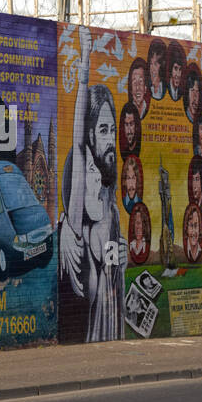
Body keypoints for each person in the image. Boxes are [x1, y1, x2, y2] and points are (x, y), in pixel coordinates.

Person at [59, 31, 125, 343]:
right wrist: (85, 64)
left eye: (113, 130)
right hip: (89, 347)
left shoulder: (111, 211)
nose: (110, 138)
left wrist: (123, 256)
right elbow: (76, 136)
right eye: (102, 130)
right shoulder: (75, 227)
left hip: (116, 341)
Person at [128, 57, 149, 122]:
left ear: (145, 88)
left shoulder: (149, 110)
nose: (137, 88)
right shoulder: (127, 113)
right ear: (131, 89)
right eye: (134, 83)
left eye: (140, 81)